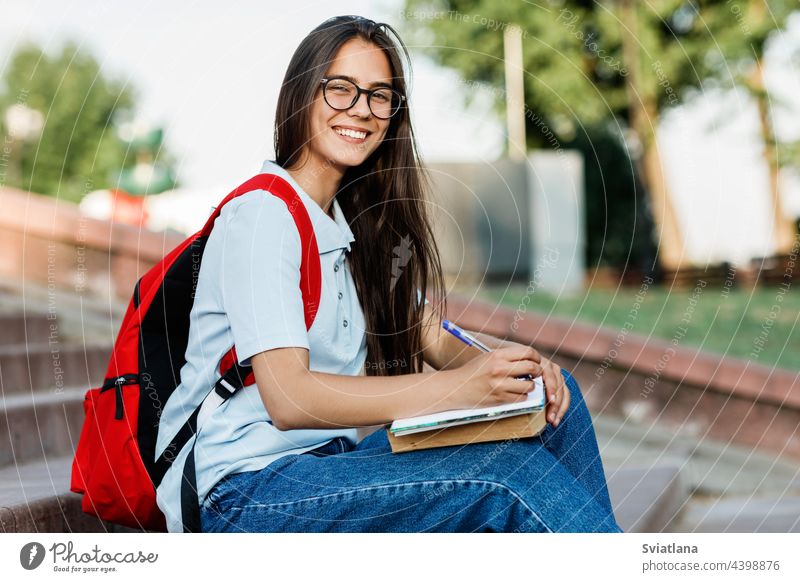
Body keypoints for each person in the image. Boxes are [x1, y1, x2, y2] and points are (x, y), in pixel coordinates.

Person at [154, 15, 622, 533]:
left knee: (555, 397)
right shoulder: (265, 214)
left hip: (330, 466)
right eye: (341, 90)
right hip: (243, 494)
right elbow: (288, 399)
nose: (362, 109)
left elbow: (432, 336)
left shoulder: (354, 227)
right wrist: (461, 390)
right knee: (505, 479)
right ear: (302, 95)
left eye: (380, 95)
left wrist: (508, 367)